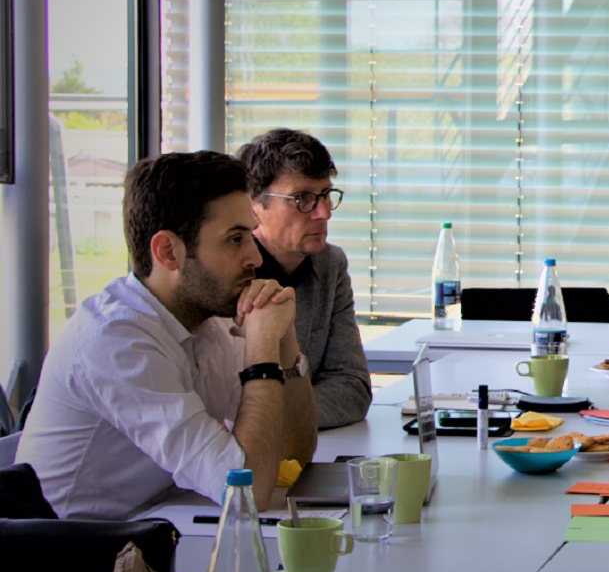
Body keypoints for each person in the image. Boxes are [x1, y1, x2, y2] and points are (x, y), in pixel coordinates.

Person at [17, 151, 318, 519]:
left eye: (250, 237)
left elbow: (291, 455)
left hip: (156, 528)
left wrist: (284, 339)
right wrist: (261, 350)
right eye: (235, 240)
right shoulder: (116, 341)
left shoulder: (209, 315)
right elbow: (246, 493)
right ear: (167, 252)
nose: (255, 257)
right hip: (70, 557)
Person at [236, 129, 371, 428]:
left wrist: (272, 416)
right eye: (302, 199)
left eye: (325, 195)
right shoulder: (228, 274)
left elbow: (352, 387)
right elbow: (226, 405)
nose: (323, 213)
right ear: (254, 207)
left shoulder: (330, 264)